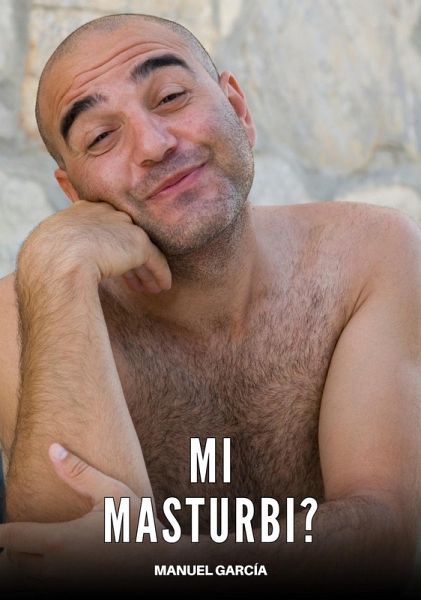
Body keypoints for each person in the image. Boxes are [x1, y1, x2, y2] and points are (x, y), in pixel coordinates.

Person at [0, 12, 420, 595]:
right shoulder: (24, 314)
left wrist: (170, 561)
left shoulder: (369, 252)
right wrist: (55, 266)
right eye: (100, 137)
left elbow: (388, 539)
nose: (153, 145)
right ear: (74, 193)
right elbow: (66, 567)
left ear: (239, 110)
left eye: (171, 97)